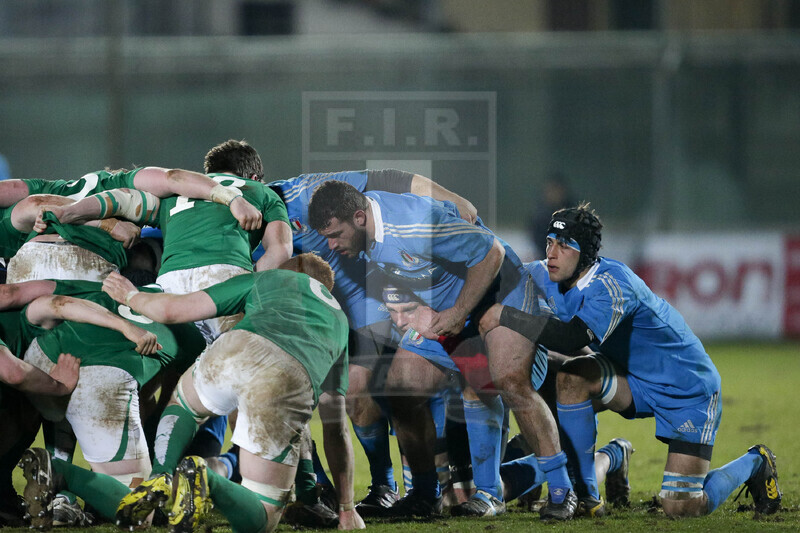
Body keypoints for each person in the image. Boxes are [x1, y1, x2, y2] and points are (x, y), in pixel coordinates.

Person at [479, 202, 782, 518]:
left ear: (585, 254)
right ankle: (587, 497)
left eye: (565, 246)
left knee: (682, 508)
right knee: (570, 377)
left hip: (687, 389)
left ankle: (756, 462)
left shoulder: (613, 284)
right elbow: (501, 273)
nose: (552, 253)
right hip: (632, 379)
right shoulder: (545, 274)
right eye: (550, 243)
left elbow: (571, 338)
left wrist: (506, 316)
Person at [307, 181, 577, 521]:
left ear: (360, 217)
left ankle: (562, 489)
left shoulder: (414, 225)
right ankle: (425, 495)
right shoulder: (365, 227)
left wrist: (459, 312)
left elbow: (490, 253)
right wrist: (406, 306)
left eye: (335, 235)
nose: (330, 245)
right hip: (450, 306)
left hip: (500, 289)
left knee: (507, 381)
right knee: (402, 387)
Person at [102, 253, 364, 532]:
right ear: (326, 288)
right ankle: (205, 478)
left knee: (183, 402)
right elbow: (335, 427)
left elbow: (176, 309)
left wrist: (130, 296)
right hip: (285, 377)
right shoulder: (338, 320)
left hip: (236, 346)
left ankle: (161, 473)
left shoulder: (268, 278)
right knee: (262, 519)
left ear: (287, 271)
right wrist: (347, 508)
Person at [268, 169, 476, 516]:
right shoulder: (222, 223)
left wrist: (450, 196)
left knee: (397, 387)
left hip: (371, 301)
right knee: (348, 394)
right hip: (322, 314)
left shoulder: (303, 195)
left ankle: (431, 483)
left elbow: (387, 179)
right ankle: (370, 486)